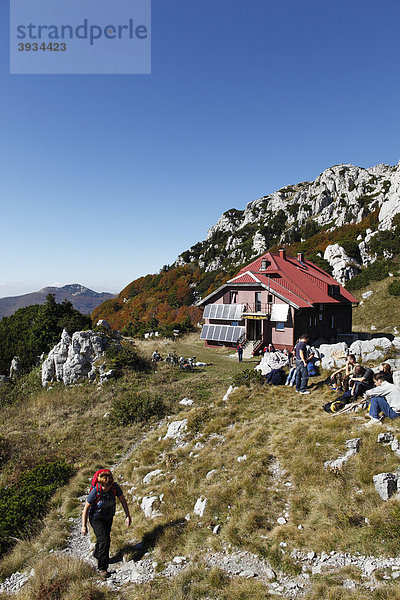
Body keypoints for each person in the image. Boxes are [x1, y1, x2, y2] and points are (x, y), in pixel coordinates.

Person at [81, 470, 131, 578]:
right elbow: (86, 509)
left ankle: (97, 554)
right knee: (104, 540)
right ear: (100, 484)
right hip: (96, 518)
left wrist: (128, 516)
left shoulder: (114, 487)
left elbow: (122, 500)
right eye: (104, 486)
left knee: (105, 539)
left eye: (108, 486)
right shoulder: (95, 491)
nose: (106, 489)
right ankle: (102, 568)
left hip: (108, 516)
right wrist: (84, 526)